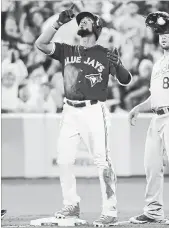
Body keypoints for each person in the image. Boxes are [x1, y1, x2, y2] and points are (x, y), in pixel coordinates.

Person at [35, 4, 132, 227]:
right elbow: (40, 44)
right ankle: (71, 204)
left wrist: (119, 64)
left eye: (87, 20)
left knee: (102, 160)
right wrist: (57, 23)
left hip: (94, 110)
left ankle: (110, 210)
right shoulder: (67, 50)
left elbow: (125, 80)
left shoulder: (105, 54)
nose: (83, 22)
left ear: (96, 27)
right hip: (69, 110)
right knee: (64, 159)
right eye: (81, 20)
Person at [128, 12, 169, 225]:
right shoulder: (157, 64)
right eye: (160, 33)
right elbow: (156, 96)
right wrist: (139, 107)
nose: (163, 37)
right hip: (157, 117)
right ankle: (153, 210)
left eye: (167, 33)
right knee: (152, 164)